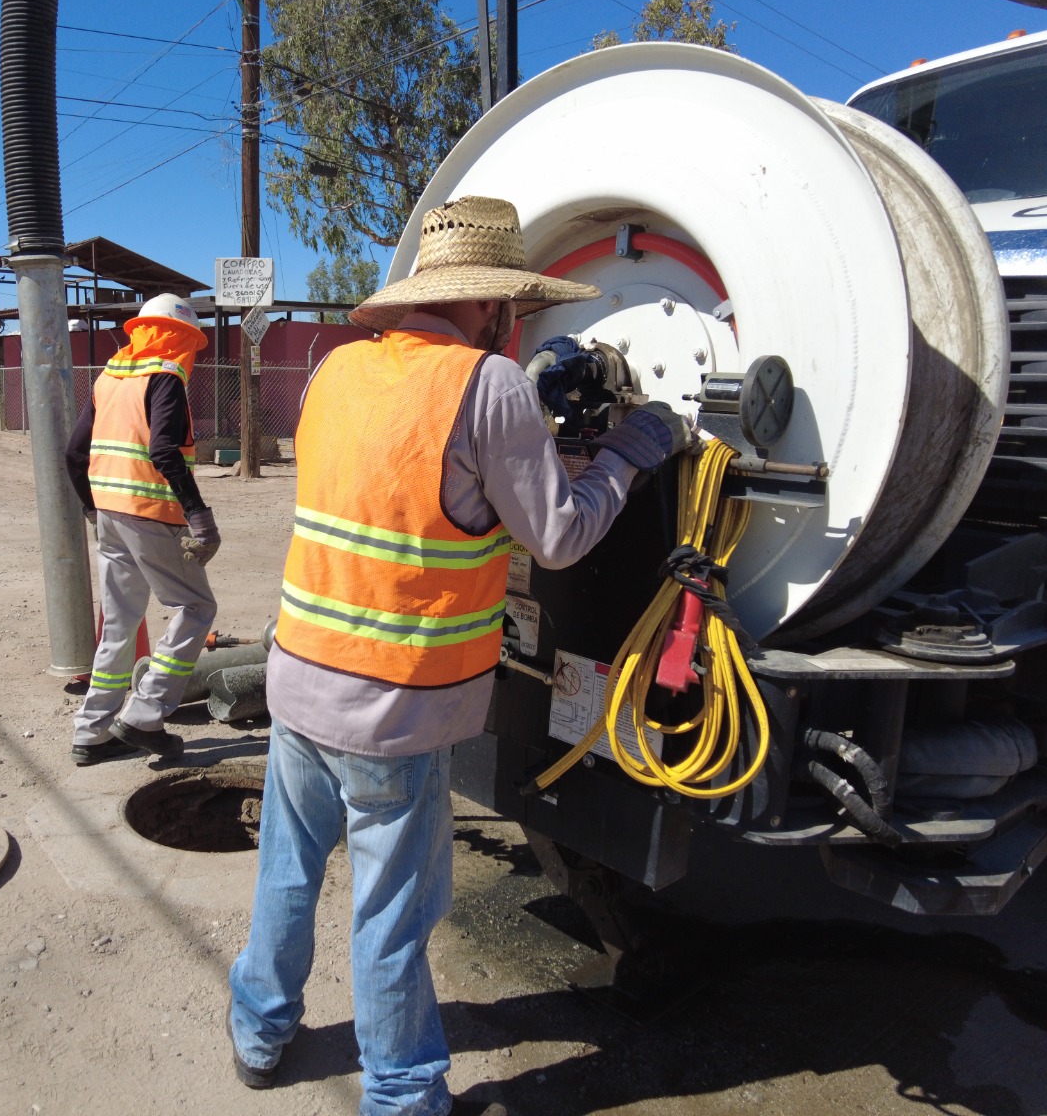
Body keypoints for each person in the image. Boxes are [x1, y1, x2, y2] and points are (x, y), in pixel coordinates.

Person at [226, 196, 693, 1114]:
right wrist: (629, 454)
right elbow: (558, 535)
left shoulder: (334, 370)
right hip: (393, 710)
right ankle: (401, 1092)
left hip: (300, 676)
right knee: (392, 913)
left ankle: (259, 1027)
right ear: (496, 307)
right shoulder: (488, 385)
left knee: (288, 867)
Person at [64, 293, 222, 765]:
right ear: (179, 338)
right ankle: (145, 713)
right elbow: (164, 453)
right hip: (149, 515)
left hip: (109, 515)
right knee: (196, 607)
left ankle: (91, 733)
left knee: (120, 622)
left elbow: (74, 454)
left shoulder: (110, 376)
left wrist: (94, 508)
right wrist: (199, 516)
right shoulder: (166, 376)